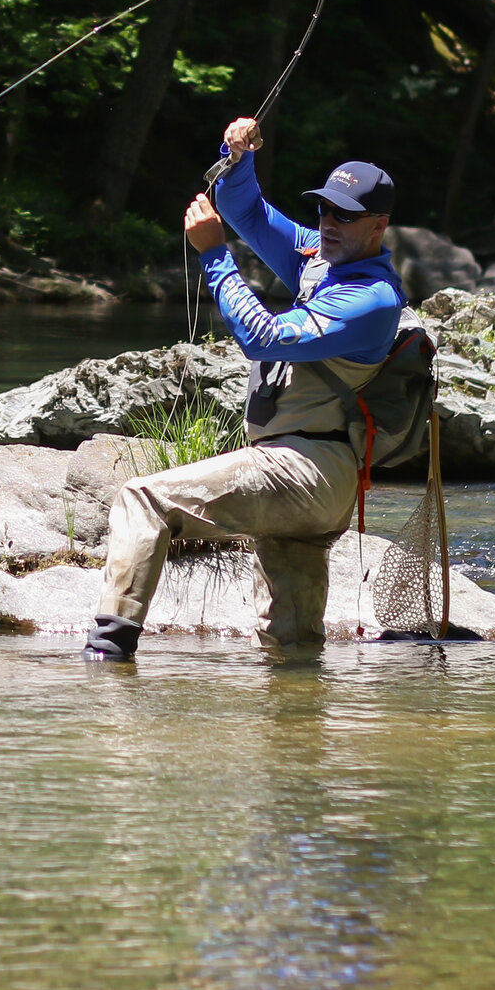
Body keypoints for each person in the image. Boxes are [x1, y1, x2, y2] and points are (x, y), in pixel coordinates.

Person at [83, 115, 404, 660]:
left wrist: (214, 255)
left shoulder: (372, 298)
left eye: (346, 216)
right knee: (291, 646)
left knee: (145, 501)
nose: (329, 222)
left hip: (305, 468)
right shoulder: (317, 259)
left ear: (378, 226)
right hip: (310, 476)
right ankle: (299, 732)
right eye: (325, 208)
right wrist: (239, 157)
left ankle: (107, 656)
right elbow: (249, 213)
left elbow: (263, 337)